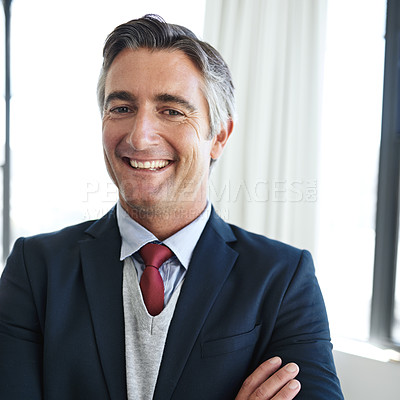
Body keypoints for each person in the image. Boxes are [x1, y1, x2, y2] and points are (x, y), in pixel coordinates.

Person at [0, 14, 343, 400]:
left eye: (172, 111)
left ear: (219, 136)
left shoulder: (283, 279)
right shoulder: (35, 269)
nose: (140, 137)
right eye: (122, 108)